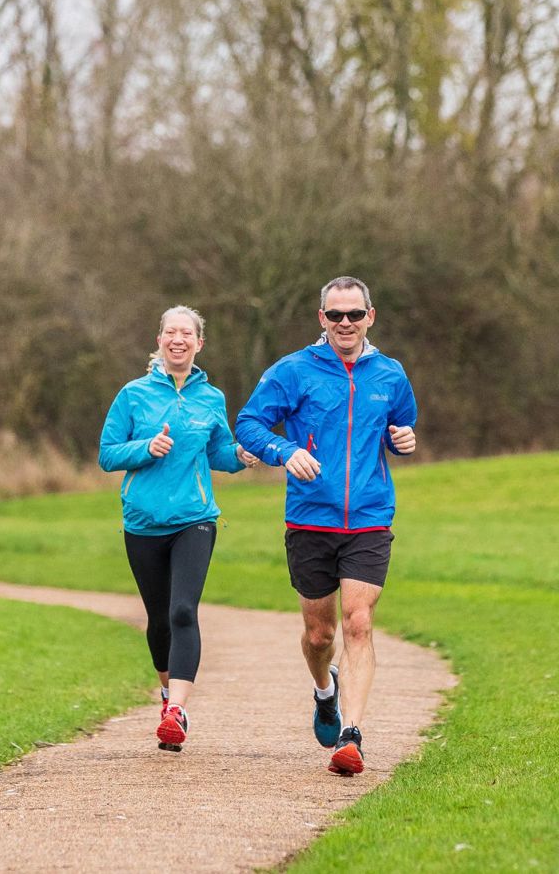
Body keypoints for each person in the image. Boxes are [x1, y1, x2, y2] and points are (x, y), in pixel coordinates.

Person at [235, 276, 416, 776]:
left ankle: (351, 735)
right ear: (322, 319)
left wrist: (403, 440)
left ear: (370, 317)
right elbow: (248, 423)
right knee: (320, 635)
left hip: (369, 518)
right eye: (335, 315)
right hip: (310, 518)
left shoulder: (390, 373)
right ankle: (324, 690)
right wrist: (284, 450)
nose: (345, 323)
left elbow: (401, 427)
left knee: (359, 622)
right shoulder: (293, 370)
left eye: (354, 314)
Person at [99, 306, 258, 752]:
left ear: (198, 343)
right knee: (159, 620)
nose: (178, 339)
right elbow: (108, 454)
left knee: (183, 611)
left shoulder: (212, 397)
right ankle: (168, 693)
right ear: (160, 340)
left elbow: (218, 452)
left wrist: (240, 457)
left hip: (195, 518)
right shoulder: (133, 394)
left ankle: (177, 711)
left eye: (187, 333)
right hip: (144, 522)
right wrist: (145, 448)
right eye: (171, 332)